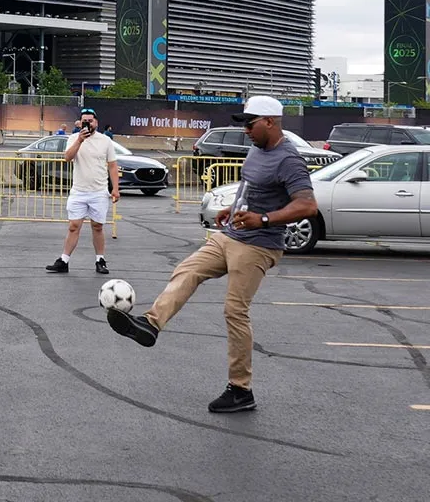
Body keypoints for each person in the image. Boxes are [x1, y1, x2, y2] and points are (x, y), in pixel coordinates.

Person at [106, 96, 317, 413]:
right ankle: (150, 325)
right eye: (243, 123)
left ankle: (241, 390)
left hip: (259, 243)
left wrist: (263, 219)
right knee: (188, 269)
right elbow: (254, 190)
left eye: (250, 123)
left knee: (235, 311)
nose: (245, 129)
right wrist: (234, 208)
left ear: (270, 122)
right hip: (232, 234)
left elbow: (307, 205)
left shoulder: (288, 159)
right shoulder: (258, 150)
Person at [46, 107, 119, 275]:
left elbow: (113, 165)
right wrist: (79, 140)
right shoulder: (73, 138)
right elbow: (67, 157)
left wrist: (115, 188)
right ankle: (64, 260)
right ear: (80, 123)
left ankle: (100, 259)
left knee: (98, 226)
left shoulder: (105, 141)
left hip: (99, 190)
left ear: (96, 122)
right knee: (73, 226)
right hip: (79, 190)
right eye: (85, 121)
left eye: (90, 121)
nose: (88, 124)